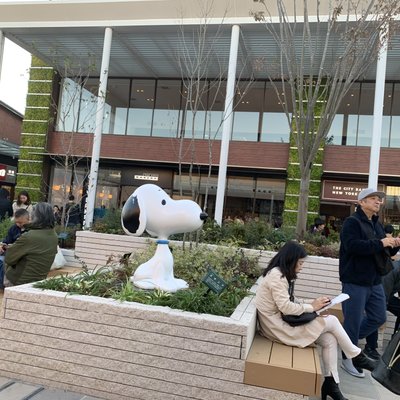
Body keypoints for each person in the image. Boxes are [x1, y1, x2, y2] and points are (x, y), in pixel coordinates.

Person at [255, 241, 361, 400]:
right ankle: (355, 355)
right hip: (278, 327)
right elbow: (286, 307)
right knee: (331, 320)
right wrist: (312, 307)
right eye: (300, 263)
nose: (301, 266)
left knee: (329, 339)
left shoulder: (280, 274)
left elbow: (291, 301)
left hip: (281, 323)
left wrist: (315, 303)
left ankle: (332, 385)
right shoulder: (277, 276)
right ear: (291, 260)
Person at [339, 188, 400, 378]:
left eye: (379, 199)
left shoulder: (377, 224)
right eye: (373, 198)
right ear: (361, 202)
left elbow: (383, 252)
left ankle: (344, 341)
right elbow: (352, 246)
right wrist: (381, 243)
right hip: (355, 280)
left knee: (378, 317)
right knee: (353, 321)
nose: (378, 202)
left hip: (375, 281)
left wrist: (394, 244)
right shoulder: (352, 222)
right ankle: (348, 357)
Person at [4, 202, 58, 287]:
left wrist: (12, 247)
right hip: (39, 280)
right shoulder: (54, 235)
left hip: (19, 281)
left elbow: (9, 258)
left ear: (35, 216)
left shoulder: (29, 236)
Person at [364, 264, 400, 360]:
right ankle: (370, 347)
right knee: (377, 315)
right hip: (373, 295)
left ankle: (394, 342)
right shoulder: (394, 269)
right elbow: (383, 293)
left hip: (386, 295)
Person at [0, 209, 30, 289]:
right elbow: (6, 240)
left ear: (28, 219)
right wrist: (2, 245)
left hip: (22, 255)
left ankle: (5, 287)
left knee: (4, 262)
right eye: (16, 222)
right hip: (10, 252)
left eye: (20, 222)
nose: (18, 224)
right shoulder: (13, 228)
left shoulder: (31, 231)